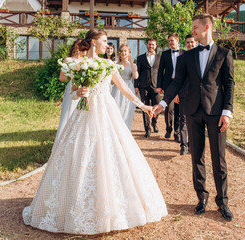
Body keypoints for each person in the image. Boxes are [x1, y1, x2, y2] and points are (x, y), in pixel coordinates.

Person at [23, 29, 168, 234]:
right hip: (84, 114)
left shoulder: (109, 64)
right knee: (81, 154)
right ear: (93, 42)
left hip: (107, 113)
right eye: (104, 41)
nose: (107, 44)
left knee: (111, 154)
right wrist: (78, 93)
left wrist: (143, 106)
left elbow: (125, 89)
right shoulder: (80, 64)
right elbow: (73, 93)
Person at [153, 14, 235, 221]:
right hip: (193, 111)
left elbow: (229, 84)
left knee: (219, 159)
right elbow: (176, 83)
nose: (193, 31)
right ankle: (202, 197)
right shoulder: (186, 57)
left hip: (216, 113)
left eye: (196, 27)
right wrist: (163, 104)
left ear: (207, 27)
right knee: (196, 156)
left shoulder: (225, 53)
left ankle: (222, 201)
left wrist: (227, 111)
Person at [54, 39, 87, 143]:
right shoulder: (67, 60)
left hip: (83, 90)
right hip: (71, 89)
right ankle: (62, 141)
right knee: (68, 113)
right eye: (79, 45)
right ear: (75, 46)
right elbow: (61, 77)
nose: (80, 48)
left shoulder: (86, 61)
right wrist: (73, 77)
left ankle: (77, 141)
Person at [157, 33, 184, 142]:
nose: (170, 43)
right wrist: (159, 86)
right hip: (168, 84)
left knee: (178, 110)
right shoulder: (165, 54)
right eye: (169, 41)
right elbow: (160, 70)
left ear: (177, 40)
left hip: (181, 85)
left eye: (172, 40)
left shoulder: (184, 53)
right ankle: (169, 129)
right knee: (169, 108)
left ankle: (177, 132)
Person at [175, 34, 198, 155]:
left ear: (196, 43)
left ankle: (192, 145)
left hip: (197, 95)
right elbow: (178, 79)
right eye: (188, 42)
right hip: (184, 93)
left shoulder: (201, 57)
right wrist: (176, 93)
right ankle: (183, 145)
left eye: (192, 42)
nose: (190, 44)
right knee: (183, 119)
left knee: (194, 121)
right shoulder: (181, 59)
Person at [134, 39, 161, 138]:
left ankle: (154, 122)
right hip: (143, 86)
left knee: (158, 106)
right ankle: (147, 129)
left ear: (156, 45)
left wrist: (162, 86)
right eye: (149, 44)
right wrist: (136, 85)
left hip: (156, 86)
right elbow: (138, 72)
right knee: (144, 108)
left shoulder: (159, 57)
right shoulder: (140, 58)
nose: (151, 46)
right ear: (147, 45)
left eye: (153, 44)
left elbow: (161, 72)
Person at [110, 44, 139, 130]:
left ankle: (125, 130)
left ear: (129, 52)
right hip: (117, 89)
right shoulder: (115, 64)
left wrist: (132, 63)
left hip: (128, 88)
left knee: (127, 112)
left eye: (125, 51)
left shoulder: (133, 65)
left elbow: (135, 76)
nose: (123, 53)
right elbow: (111, 82)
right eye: (121, 51)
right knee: (116, 111)